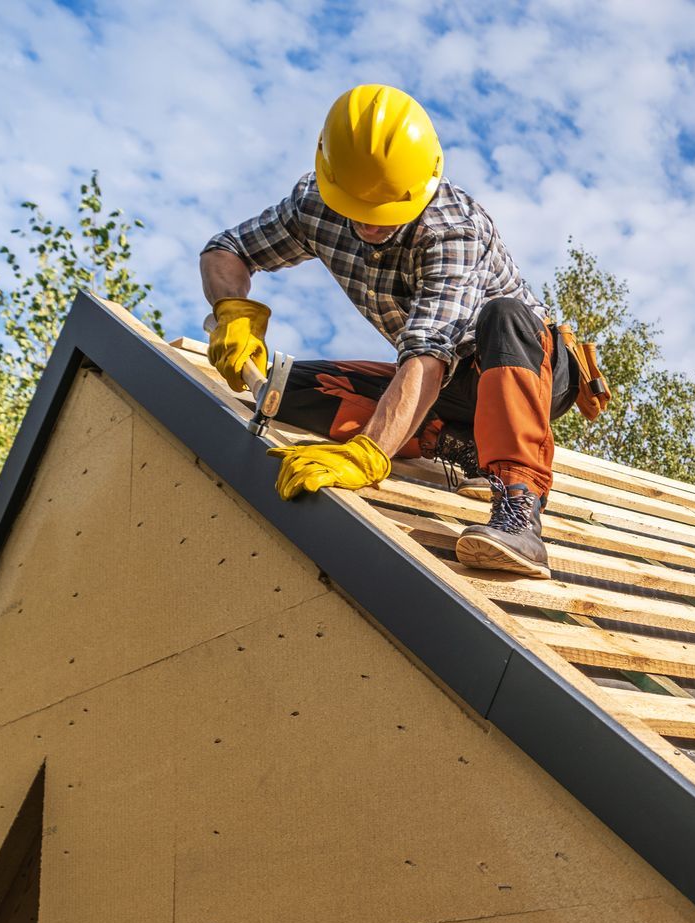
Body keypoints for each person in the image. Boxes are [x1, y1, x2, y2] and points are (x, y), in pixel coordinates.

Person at [200, 83, 565, 577]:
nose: (371, 224)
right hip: (449, 386)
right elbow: (227, 249)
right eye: (359, 209)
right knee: (283, 389)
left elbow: (427, 353)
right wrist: (232, 310)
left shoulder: (453, 230)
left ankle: (519, 509)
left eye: (387, 210)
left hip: (524, 367)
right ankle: (467, 446)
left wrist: (370, 453)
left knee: (504, 314)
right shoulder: (315, 202)